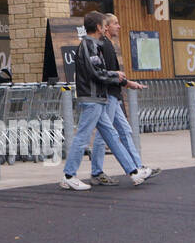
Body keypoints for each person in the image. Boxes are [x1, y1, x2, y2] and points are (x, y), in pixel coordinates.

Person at [59, 11, 153, 190]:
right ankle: (69, 175)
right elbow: (96, 72)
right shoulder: (89, 45)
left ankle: (134, 172)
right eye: (104, 25)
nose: (106, 28)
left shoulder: (93, 45)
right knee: (83, 137)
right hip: (92, 98)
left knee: (112, 135)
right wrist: (115, 74)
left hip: (98, 99)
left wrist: (114, 76)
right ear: (98, 27)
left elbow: (97, 71)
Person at [87, 14, 160, 183]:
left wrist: (128, 83)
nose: (119, 26)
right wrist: (128, 83)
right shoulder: (104, 46)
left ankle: (138, 166)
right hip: (109, 95)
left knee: (125, 131)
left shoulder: (108, 45)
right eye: (115, 23)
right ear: (105, 27)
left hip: (114, 94)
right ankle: (97, 172)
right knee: (104, 134)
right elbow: (107, 74)